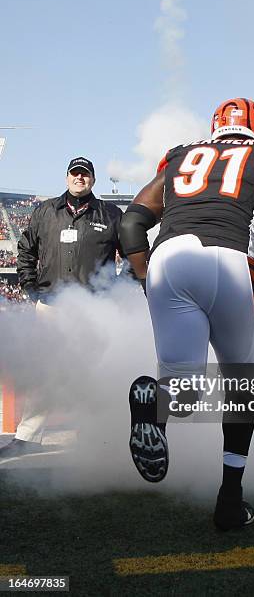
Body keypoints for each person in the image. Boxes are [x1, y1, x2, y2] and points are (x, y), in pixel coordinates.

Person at [120, 98, 254, 530]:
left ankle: (154, 405)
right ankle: (229, 499)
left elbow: (131, 223)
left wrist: (146, 280)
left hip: (169, 261)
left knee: (183, 395)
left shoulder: (179, 158)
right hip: (230, 262)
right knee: (242, 385)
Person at [0, 156, 123, 461]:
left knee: (94, 371)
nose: (79, 178)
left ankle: (93, 435)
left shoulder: (110, 214)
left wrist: (119, 289)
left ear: (92, 179)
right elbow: (26, 250)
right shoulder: (45, 211)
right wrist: (30, 288)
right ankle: (29, 437)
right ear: (67, 177)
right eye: (74, 174)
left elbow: (133, 254)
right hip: (51, 303)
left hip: (94, 308)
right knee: (44, 370)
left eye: (85, 174)